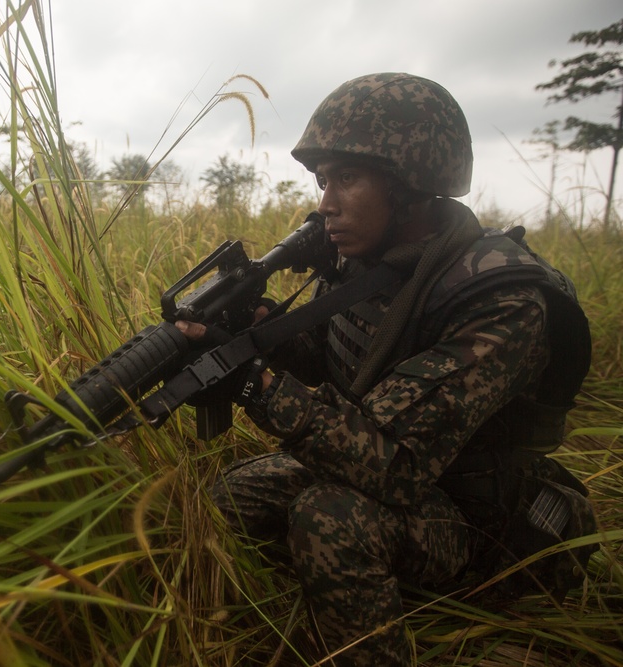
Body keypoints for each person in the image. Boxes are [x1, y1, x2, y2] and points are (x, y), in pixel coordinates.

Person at [176, 72, 596, 665]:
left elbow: (393, 463)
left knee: (326, 518)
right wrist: (254, 334)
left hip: (482, 523)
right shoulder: (372, 260)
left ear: (411, 185)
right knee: (230, 497)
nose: (325, 202)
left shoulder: (500, 298)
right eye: (323, 181)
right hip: (405, 489)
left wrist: (253, 384)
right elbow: (334, 359)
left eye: (347, 178)